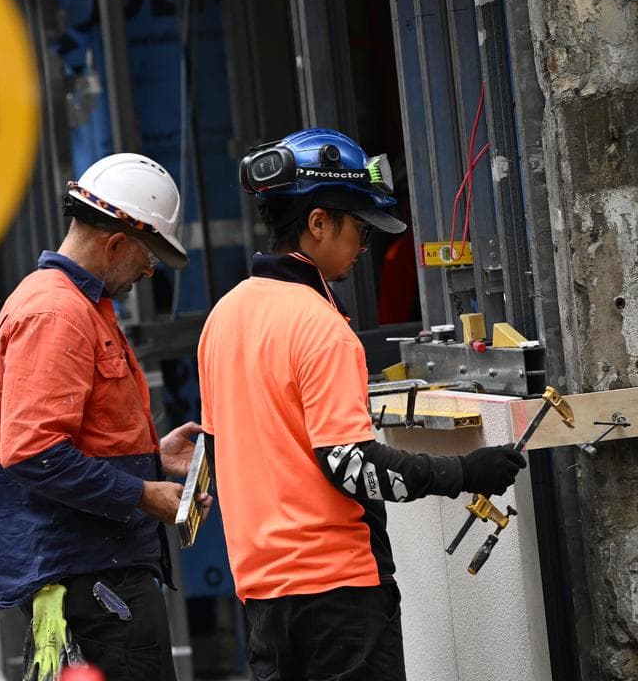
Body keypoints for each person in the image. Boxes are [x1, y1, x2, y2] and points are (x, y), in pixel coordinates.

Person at [198, 128, 526, 680]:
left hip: (262, 603)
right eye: (360, 229)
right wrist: (465, 471)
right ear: (319, 222)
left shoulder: (221, 319)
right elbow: (351, 465)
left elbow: (215, 452)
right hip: (339, 599)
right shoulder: (321, 326)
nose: (364, 245)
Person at [0, 152, 209, 681]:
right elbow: (34, 452)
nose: (149, 269)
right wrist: (141, 494)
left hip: (93, 580)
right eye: (147, 254)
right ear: (115, 243)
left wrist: (152, 460)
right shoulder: (55, 314)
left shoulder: (72, 307)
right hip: (90, 584)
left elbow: (71, 440)